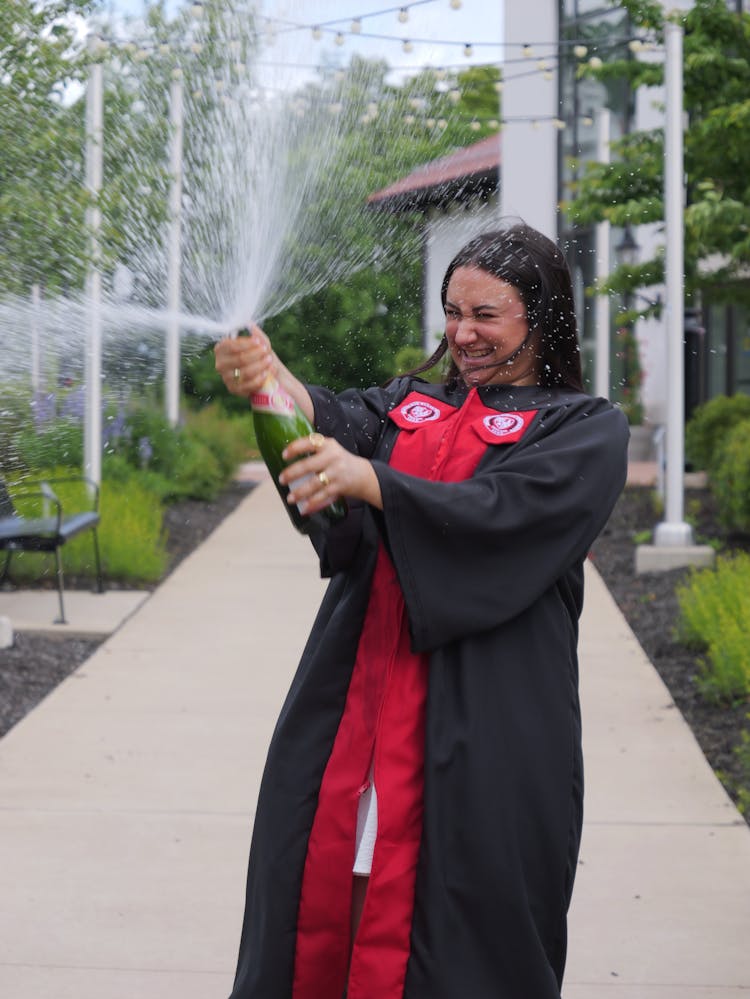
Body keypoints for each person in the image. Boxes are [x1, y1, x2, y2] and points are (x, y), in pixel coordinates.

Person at [214, 223, 629, 999]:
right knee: (325, 888)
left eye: (486, 316)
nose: (462, 333)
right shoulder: (412, 404)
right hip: (351, 712)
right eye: (451, 312)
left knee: (464, 930)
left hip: (481, 730)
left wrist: (375, 484)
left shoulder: (582, 429)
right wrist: (268, 379)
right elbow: (329, 421)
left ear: (541, 318)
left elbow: (501, 511)